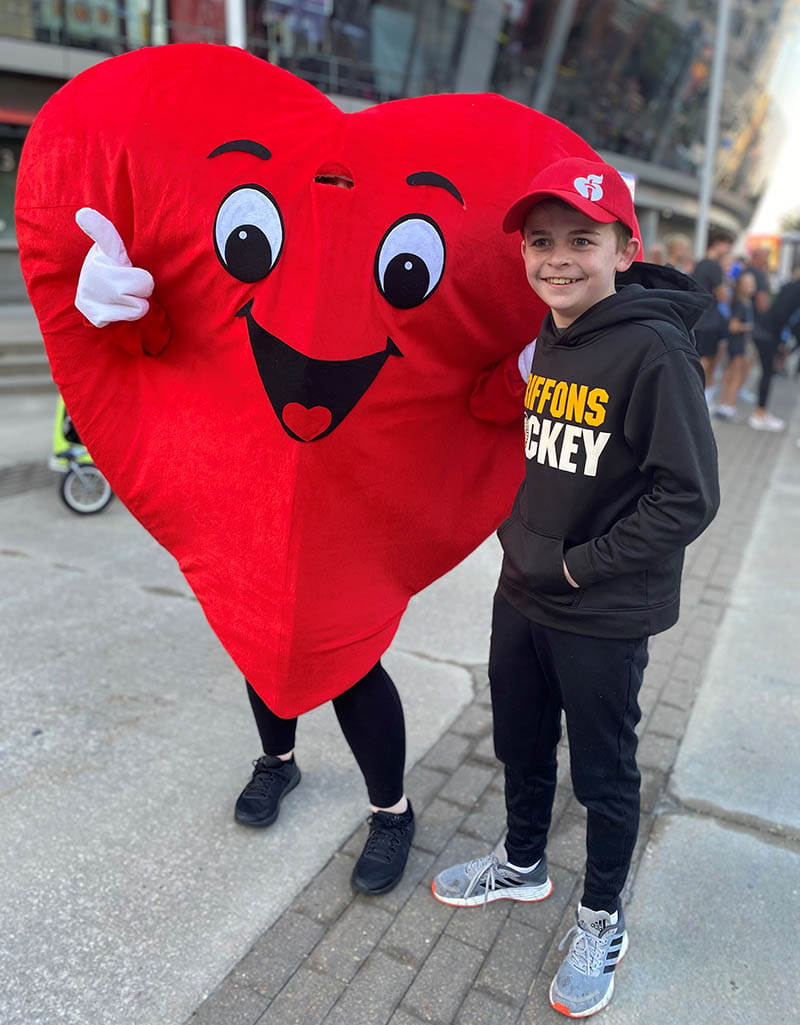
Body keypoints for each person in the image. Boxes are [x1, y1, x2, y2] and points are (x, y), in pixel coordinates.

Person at [432, 157, 720, 1018]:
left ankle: (601, 916)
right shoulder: (552, 331)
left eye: (581, 241)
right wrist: (524, 544)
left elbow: (691, 496)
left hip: (597, 606)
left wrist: (578, 563)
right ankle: (522, 863)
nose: (556, 258)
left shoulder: (655, 349)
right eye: (541, 241)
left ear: (626, 249)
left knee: (603, 774)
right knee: (519, 739)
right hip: (523, 590)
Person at [71, 208, 415, 899]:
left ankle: (392, 812)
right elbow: (185, 341)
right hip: (253, 490)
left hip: (348, 497)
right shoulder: (254, 254)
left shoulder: (364, 265)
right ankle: (277, 760)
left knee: (350, 660)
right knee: (261, 634)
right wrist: (125, 310)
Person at [690, 228, 735, 399]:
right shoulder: (714, 265)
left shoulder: (700, 263)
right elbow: (723, 296)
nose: (728, 250)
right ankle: (700, 396)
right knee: (706, 360)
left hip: (698, 317)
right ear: (718, 243)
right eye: (727, 245)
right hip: (709, 320)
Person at [745, 246, 784, 431]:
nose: (767, 262)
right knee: (768, 370)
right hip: (762, 330)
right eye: (766, 257)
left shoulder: (748, 272)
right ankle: (760, 413)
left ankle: (760, 411)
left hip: (752, 328)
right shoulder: (758, 275)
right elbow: (762, 304)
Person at [714, 270, 755, 421]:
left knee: (732, 373)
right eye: (748, 284)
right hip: (736, 343)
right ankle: (729, 405)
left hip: (738, 343)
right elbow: (733, 326)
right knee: (734, 374)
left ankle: (726, 405)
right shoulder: (740, 303)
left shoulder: (745, 302)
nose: (751, 287)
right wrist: (748, 327)